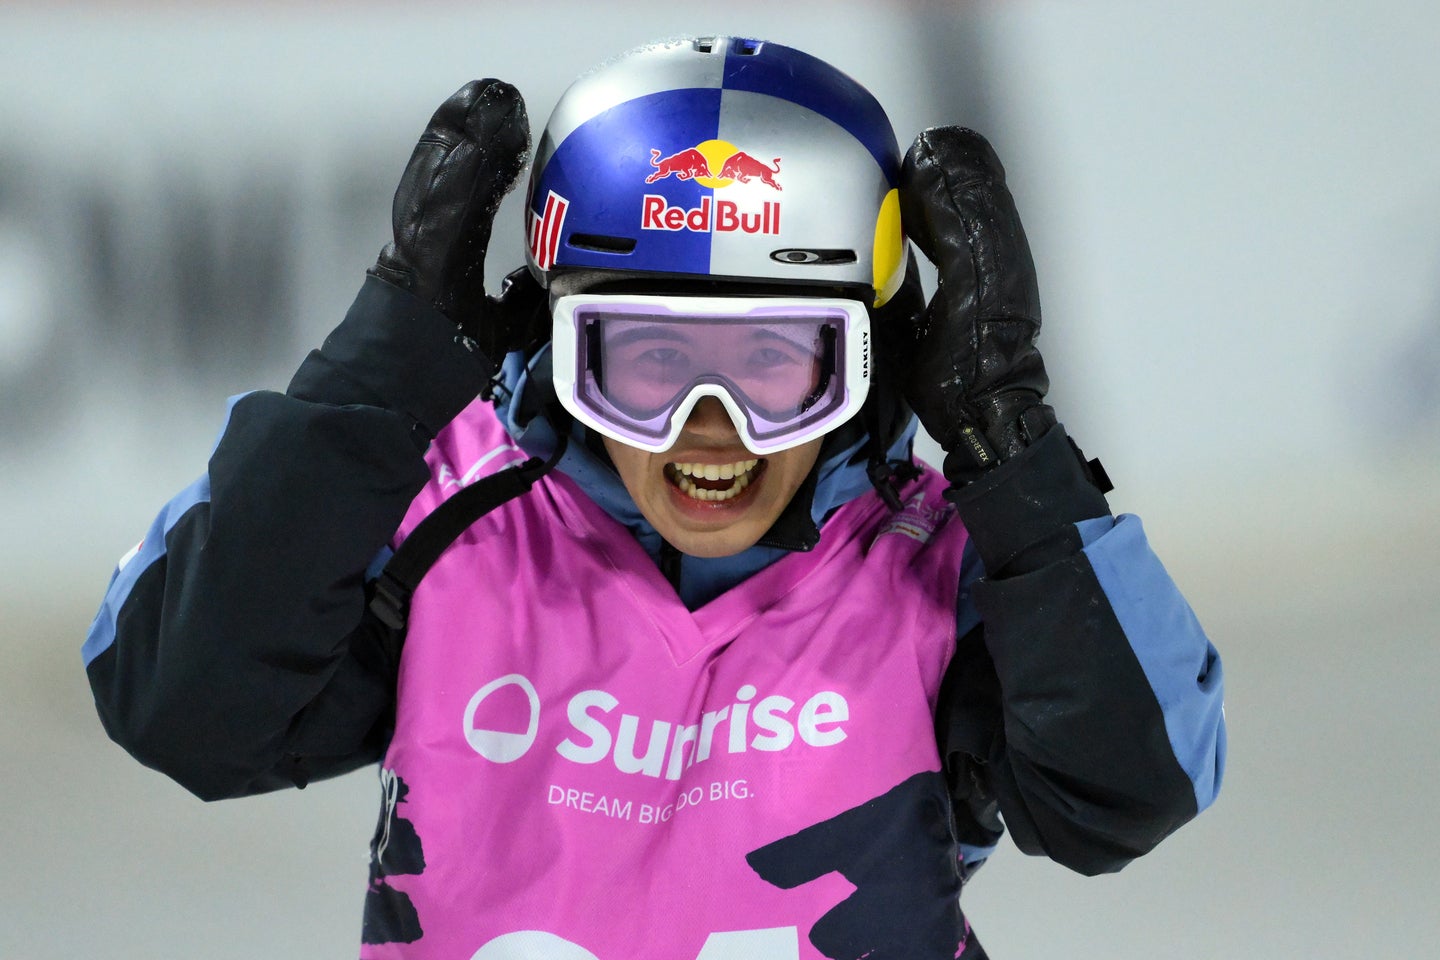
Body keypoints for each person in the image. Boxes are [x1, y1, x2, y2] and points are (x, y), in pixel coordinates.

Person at [83, 36, 1226, 960]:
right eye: (648, 361)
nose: (710, 428)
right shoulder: (447, 516)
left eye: (779, 361)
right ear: (557, 347)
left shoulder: (939, 564)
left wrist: (1008, 448)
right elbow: (181, 706)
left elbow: (1132, 789)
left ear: (872, 356)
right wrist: (372, 392)